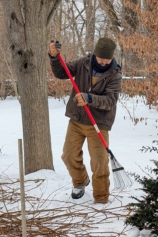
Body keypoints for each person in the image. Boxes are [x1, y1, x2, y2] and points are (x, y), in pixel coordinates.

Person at [48, 37, 122, 204]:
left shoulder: (115, 74)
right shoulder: (84, 63)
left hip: (98, 123)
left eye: (107, 59)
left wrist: (90, 98)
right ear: (95, 54)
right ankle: (80, 181)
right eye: (101, 57)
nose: (103, 62)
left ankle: (101, 198)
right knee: (68, 156)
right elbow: (62, 72)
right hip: (77, 119)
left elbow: (110, 100)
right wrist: (54, 57)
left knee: (99, 164)